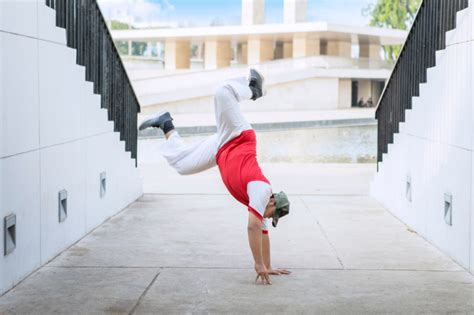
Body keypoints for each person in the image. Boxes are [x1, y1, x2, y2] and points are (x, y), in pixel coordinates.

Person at [139, 69, 290, 285]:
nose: (267, 217)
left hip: (221, 150)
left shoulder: (260, 206)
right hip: (237, 137)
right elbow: (252, 228)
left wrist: (268, 266)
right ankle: (253, 89)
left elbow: (263, 233)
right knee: (222, 92)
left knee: (183, 166)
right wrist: (258, 264)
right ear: (273, 201)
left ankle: (166, 124)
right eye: (272, 213)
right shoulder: (262, 191)